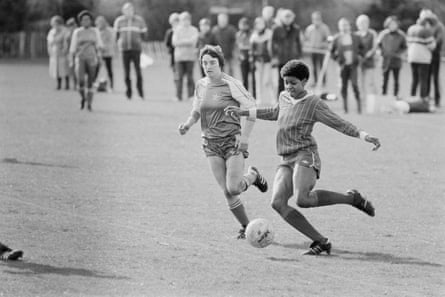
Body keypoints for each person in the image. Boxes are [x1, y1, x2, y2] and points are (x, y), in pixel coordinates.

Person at [225, 60, 381, 255]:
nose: (289, 87)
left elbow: (338, 123)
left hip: (306, 154)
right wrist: (243, 112)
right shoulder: (284, 97)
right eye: (286, 82)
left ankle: (352, 199)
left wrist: (364, 135)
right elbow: (275, 112)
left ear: (305, 81)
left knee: (303, 199)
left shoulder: (313, 103)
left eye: (293, 83)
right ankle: (321, 241)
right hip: (286, 158)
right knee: (277, 203)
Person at [178, 45, 268, 239]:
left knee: (234, 187)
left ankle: (252, 176)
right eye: (204, 63)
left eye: (212, 62)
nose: (208, 66)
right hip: (210, 143)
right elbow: (197, 109)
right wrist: (188, 124)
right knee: (227, 192)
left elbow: (252, 109)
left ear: (220, 63)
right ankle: (247, 227)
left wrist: (244, 138)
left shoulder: (231, 84)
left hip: (232, 142)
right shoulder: (201, 84)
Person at [69, 10, 103, 111]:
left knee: (90, 82)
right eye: (83, 20)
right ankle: (83, 98)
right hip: (80, 58)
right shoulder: (77, 32)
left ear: (91, 21)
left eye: (88, 19)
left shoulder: (95, 31)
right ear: (80, 21)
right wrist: (71, 59)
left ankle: (89, 104)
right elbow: (73, 47)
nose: (86, 21)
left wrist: (100, 57)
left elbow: (99, 45)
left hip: (92, 58)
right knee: (81, 81)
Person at [114, 2, 148, 100]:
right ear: (123, 11)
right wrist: (118, 43)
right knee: (126, 72)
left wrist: (140, 41)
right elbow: (116, 36)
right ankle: (128, 93)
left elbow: (144, 35)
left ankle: (140, 93)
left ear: (133, 10)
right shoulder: (119, 21)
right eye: (127, 10)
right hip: (124, 50)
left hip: (136, 49)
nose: (129, 12)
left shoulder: (139, 20)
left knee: (138, 72)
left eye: (130, 10)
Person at [330, 18, 364, 113]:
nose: (344, 27)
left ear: (349, 26)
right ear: (339, 27)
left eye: (345, 25)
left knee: (354, 85)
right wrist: (337, 59)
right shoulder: (337, 38)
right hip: (342, 67)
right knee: (343, 87)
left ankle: (359, 108)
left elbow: (362, 48)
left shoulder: (356, 37)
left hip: (353, 66)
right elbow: (332, 52)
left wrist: (360, 57)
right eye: (342, 25)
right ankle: (345, 109)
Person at [270, 9, 303, 96]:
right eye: (286, 17)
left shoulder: (296, 29)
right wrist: (273, 57)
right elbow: (271, 44)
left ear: (293, 18)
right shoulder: (276, 28)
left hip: (292, 58)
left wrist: (299, 56)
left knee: (293, 80)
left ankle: (293, 98)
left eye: (290, 17)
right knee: (281, 81)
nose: (288, 19)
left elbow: (299, 43)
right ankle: (280, 101)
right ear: (282, 17)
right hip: (280, 58)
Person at [419, 10, 445, 107]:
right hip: (424, 54)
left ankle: (437, 100)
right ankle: (426, 99)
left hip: (435, 55)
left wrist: (432, 44)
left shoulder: (438, 26)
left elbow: (440, 38)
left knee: (435, 78)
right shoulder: (421, 25)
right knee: (426, 78)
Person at [377, 16, 407, 99]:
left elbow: (404, 47)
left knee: (396, 81)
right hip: (385, 61)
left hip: (396, 61)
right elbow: (378, 46)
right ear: (387, 25)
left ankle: (395, 97)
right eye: (391, 24)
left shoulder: (401, 35)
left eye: (394, 24)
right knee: (384, 81)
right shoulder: (383, 34)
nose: (393, 26)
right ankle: (383, 97)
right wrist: (381, 53)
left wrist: (398, 54)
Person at [406, 17, 436, 100]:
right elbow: (432, 46)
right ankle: (423, 99)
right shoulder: (426, 31)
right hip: (423, 58)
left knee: (414, 79)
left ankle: (412, 97)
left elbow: (407, 43)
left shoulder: (411, 29)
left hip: (412, 57)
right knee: (423, 79)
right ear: (426, 23)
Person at [172, 11, 199, 101]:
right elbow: (175, 42)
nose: (185, 21)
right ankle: (178, 96)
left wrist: (182, 41)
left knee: (190, 77)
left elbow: (193, 42)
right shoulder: (177, 30)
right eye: (183, 20)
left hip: (190, 57)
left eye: (187, 19)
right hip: (179, 58)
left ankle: (191, 95)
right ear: (180, 21)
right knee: (179, 77)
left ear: (190, 20)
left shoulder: (194, 30)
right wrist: (187, 41)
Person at [356, 14, 378, 112]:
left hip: (369, 62)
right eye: (361, 23)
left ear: (368, 23)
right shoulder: (356, 35)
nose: (363, 24)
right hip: (359, 63)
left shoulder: (372, 33)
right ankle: (362, 102)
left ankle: (372, 103)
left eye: (365, 22)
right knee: (360, 84)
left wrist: (370, 53)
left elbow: (374, 46)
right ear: (358, 24)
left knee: (370, 83)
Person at [250, 17, 274, 105]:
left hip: (267, 60)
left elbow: (271, 48)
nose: (260, 25)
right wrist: (253, 61)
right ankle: (259, 99)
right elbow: (252, 50)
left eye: (262, 23)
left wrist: (272, 58)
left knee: (267, 80)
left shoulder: (269, 33)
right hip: (258, 61)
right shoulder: (254, 36)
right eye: (258, 23)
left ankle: (273, 99)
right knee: (258, 80)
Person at [304, 11, 331, 87]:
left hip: (322, 51)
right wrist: (309, 44)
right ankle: (315, 82)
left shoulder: (325, 28)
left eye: (317, 18)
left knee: (322, 67)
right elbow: (306, 39)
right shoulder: (309, 29)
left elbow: (329, 40)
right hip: (313, 51)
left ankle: (323, 82)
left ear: (320, 18)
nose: (316, 20)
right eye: (314, 18)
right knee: (313, 67)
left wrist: (323, 44)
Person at [47, 15, 70, 90]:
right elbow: (49, 42)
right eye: (53, 24)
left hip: (62, 52)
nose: (55, 25)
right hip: (54, 52)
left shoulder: (65, 31)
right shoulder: (51, 31)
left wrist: (64, 50)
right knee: (56, 70)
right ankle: (59, 84)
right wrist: (49, 51)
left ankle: (67, 84)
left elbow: (66, 41)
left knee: (64, 69)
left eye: (56, 24)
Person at [95, 16, 116, 91]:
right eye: (98, 22)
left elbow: (110, 41)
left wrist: (103, 48)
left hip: (107, 53)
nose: (100, 24)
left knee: (109, 69)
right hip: (99, 53)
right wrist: (98, 49)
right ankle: (93, 84)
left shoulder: (109, 30)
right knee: (96, 69)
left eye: (101, 22)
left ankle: (111, 86)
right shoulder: (96, 31)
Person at [164, 12, 180, 92]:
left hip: (182, 55)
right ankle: (177, 90)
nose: (175, 23)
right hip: (173, 56)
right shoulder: (169, 32)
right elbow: (167, 44)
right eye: (174, 21)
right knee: (175, 74)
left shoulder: (182, 31)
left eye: (177, 21)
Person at [236, 17, 252, 91]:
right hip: (242, 58)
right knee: (244, 77)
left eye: (245, 25)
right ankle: (245, 93)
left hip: (251, 57)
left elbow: (251, 45)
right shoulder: (238, 34)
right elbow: (237, 46)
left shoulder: (252, 33)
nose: (243, 26)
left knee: (253, 78)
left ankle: (254, 95)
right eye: (242, 25)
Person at [65, 17, 78, 90]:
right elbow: (66, 45)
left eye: (72, 25)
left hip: (77, 53)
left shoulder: (78, 32)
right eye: (70, 26)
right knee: (70, 69)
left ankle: (77, 84)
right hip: (70, 54)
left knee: (77, 69)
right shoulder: (68, 34)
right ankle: (71, 84)